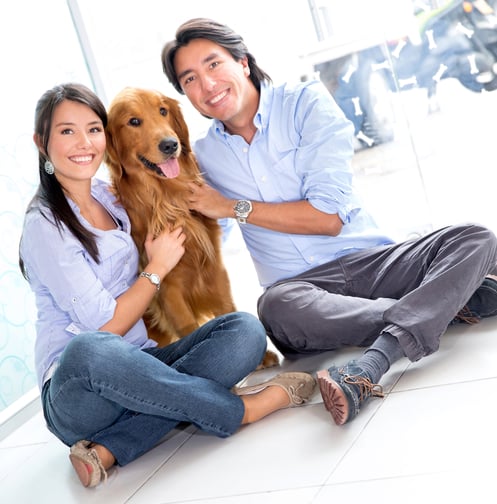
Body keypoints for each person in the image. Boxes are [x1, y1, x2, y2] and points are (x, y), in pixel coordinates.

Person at [161, 18, 497, 426]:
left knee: (474, 238)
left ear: (243, 62)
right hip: (299, 293)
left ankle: (374, 362)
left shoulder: (305, 103)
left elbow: (329, 219)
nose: (207, 84)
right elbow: (208, 234)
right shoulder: (203, 156)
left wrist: (233, 206)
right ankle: (444, 304)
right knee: (273, 308)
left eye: (213, 65)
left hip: (375, 262)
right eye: (190, 78)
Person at [18, 83, 316, 488]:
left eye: (93, 129)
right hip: (80, 390)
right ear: (41, 143)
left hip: (144, 367)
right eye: (67, 131)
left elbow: (164, 194)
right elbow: (105, 328)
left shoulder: (110, 196)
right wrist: (156, 268)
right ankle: (241, 410)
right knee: (91, 348)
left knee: (244, 329)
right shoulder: (44, 225)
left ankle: (111, 447)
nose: (83, 142)